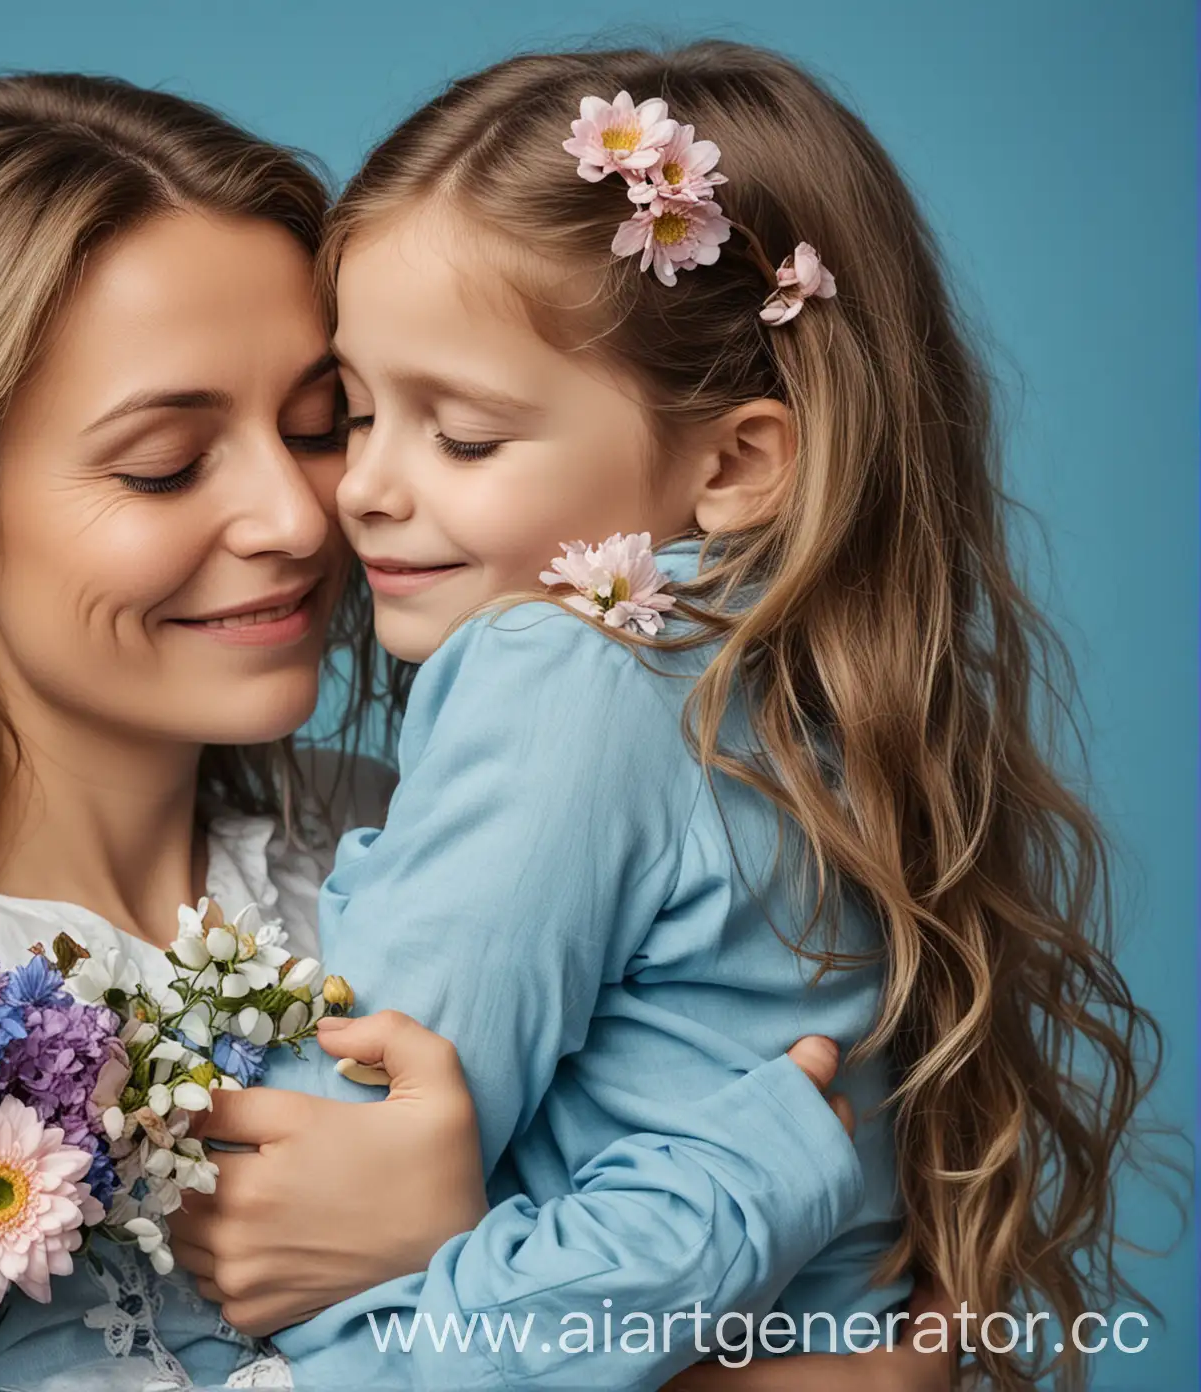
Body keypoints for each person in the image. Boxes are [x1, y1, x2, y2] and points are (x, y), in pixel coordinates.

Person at [0, 71, 940, 1392]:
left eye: (323, 423)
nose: (299, 516)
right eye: (164, 463)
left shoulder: (400, 827)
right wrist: (692, 1215)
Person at [165, 42, 1155, 1392]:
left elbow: (314, 1219)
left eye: (462, 437)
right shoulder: (802, 690)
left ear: (738, 461)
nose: (363, 490)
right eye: (355, 412)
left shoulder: (563, 670)